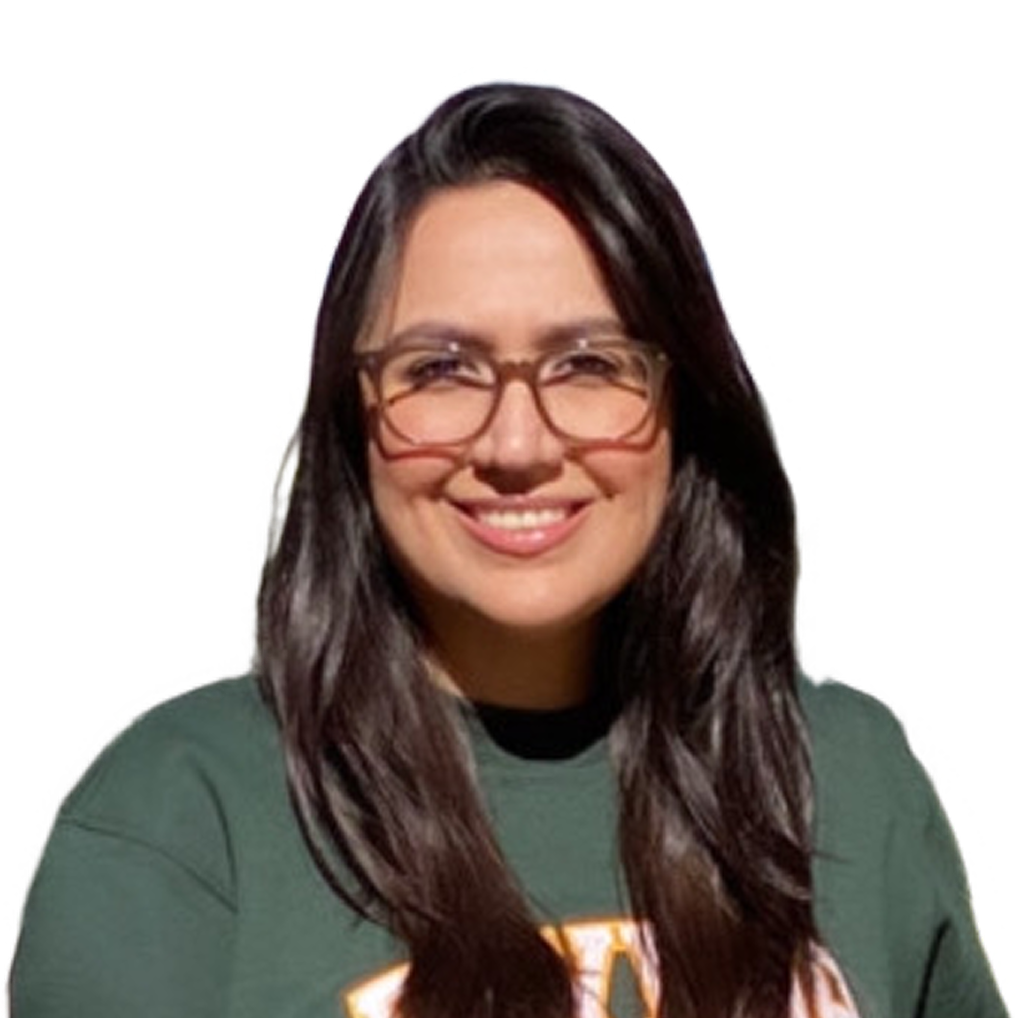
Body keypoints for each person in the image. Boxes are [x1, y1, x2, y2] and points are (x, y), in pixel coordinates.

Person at [5, 79, 1008, 1018]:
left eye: (589, 363)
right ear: (353, 415)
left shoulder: (847, 778)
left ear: (684, 402)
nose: (516, 445)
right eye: (441, 369)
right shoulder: (182, 822)